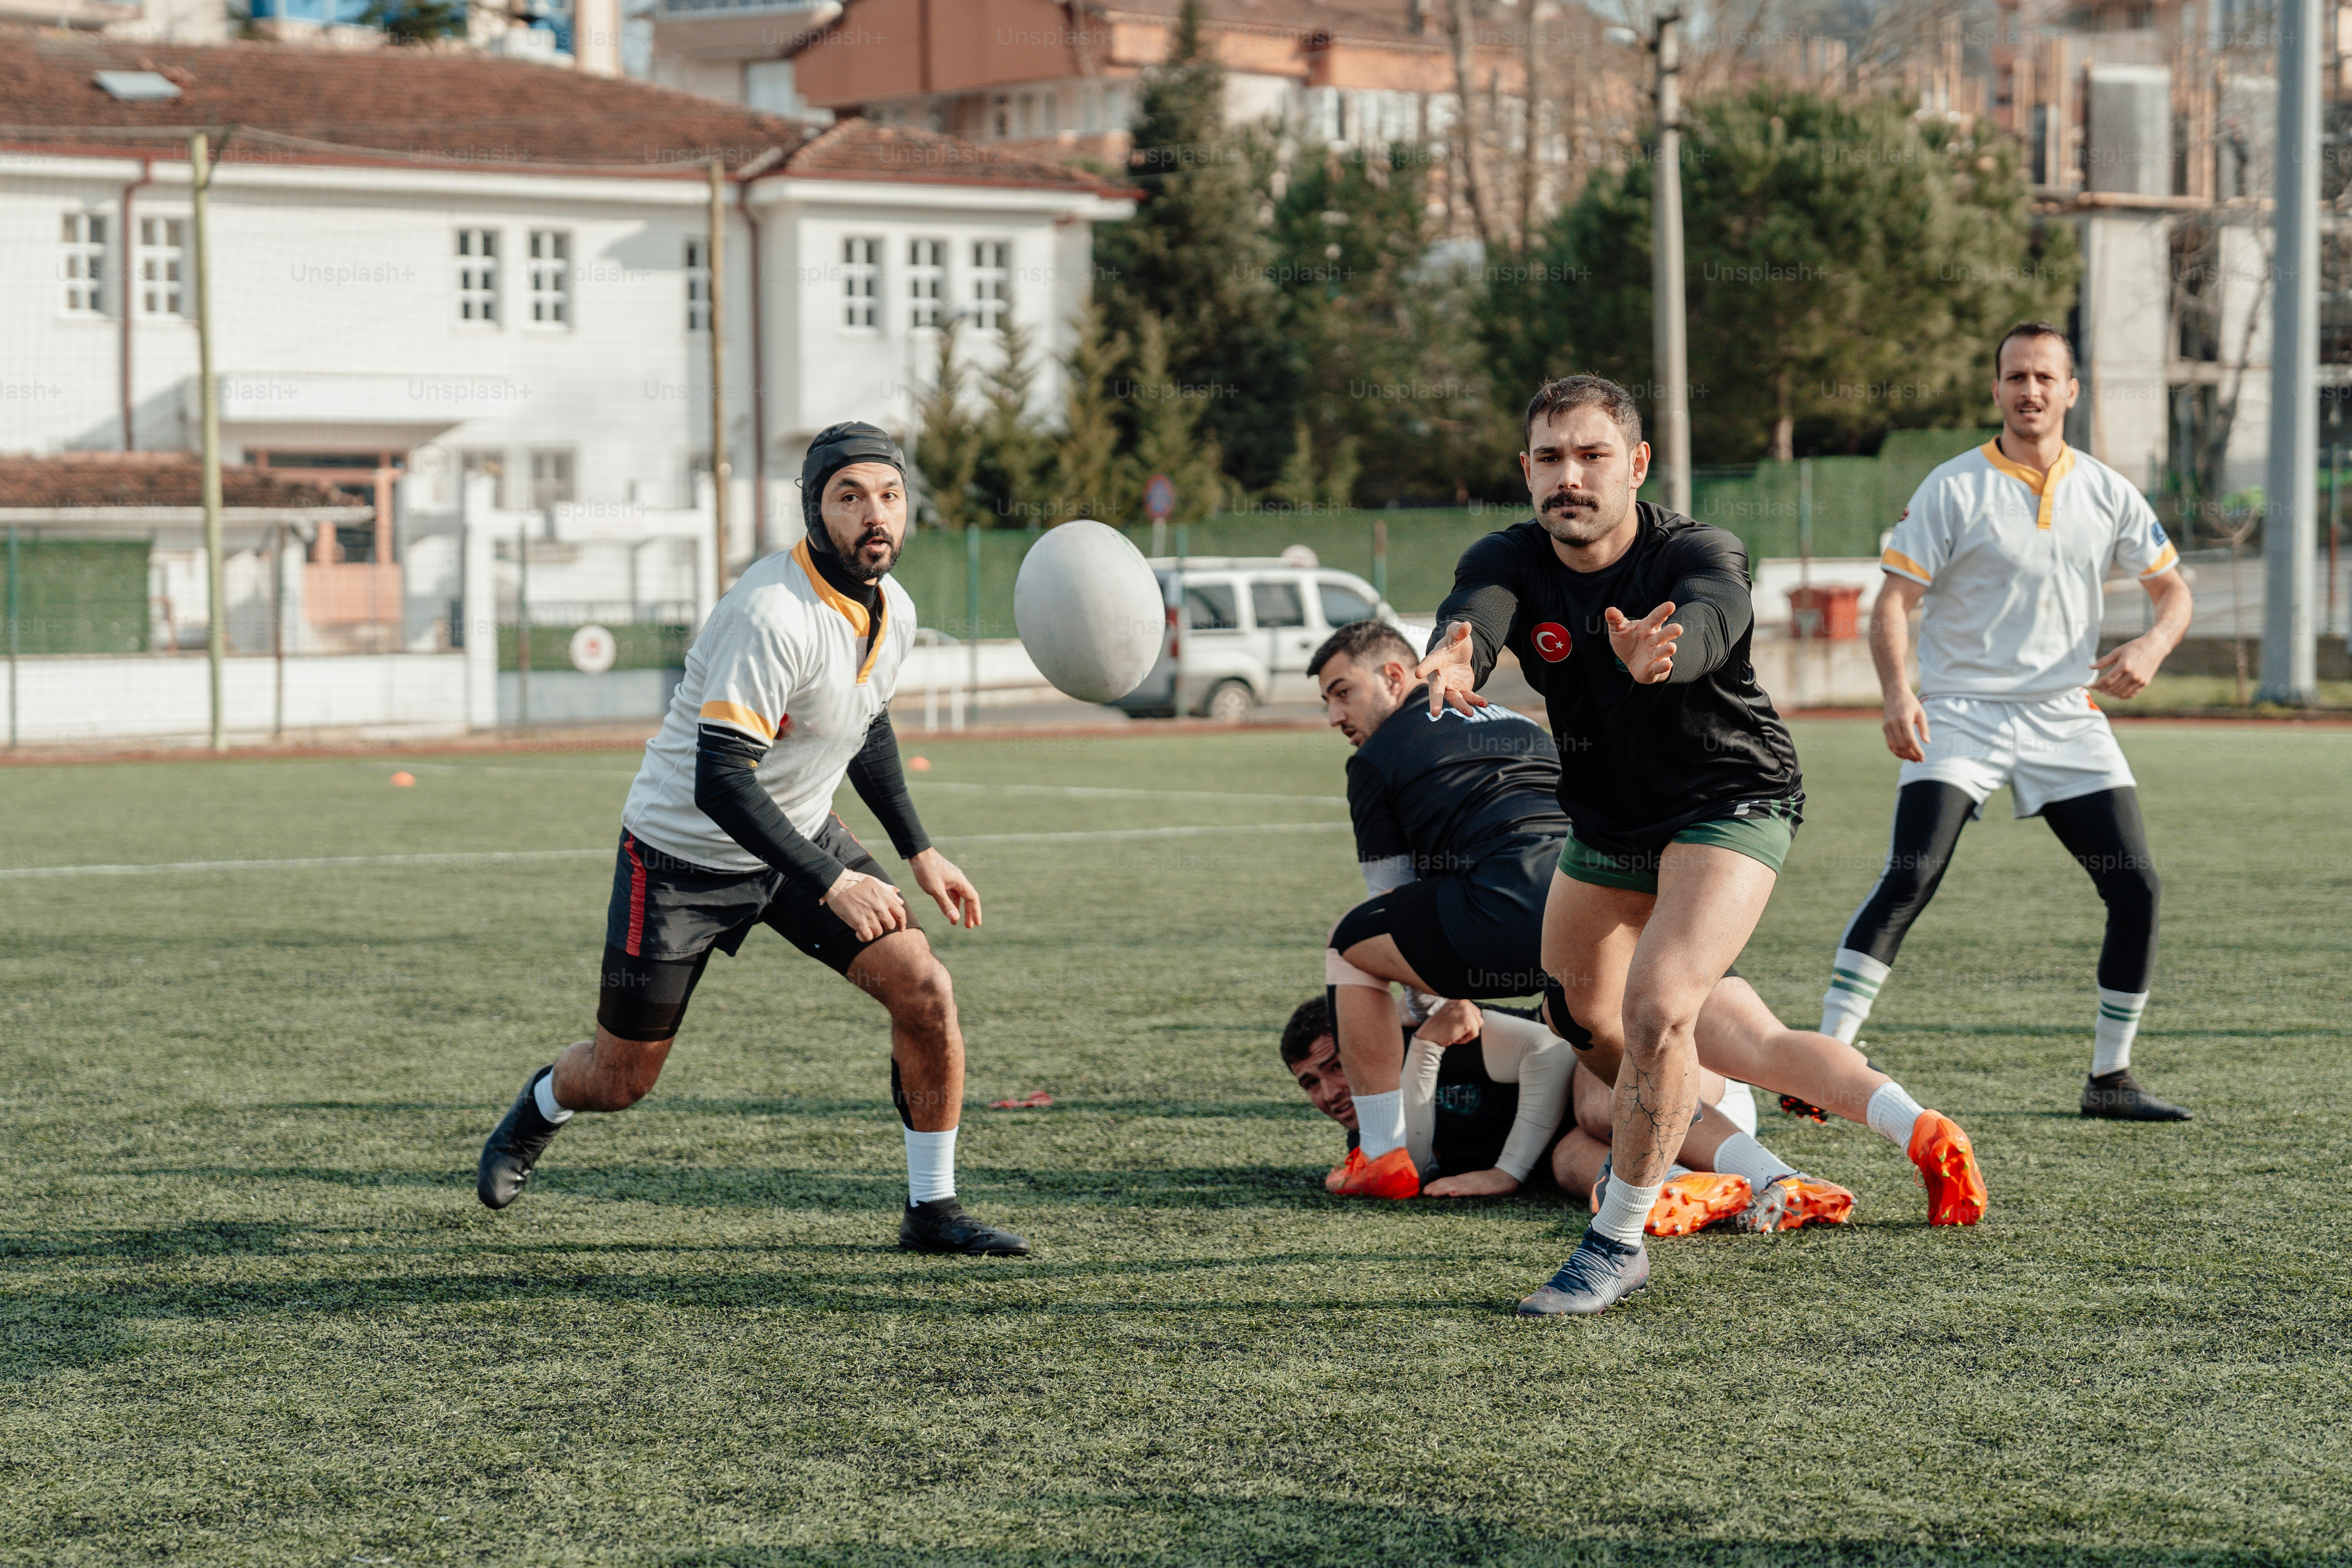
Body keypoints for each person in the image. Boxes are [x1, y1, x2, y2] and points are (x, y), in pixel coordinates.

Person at [1417, 375, 1987, 1317]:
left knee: (1658, 1009)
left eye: (1593, 455)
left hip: (1728, 800)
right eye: (1550, 459)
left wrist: (1663, 655)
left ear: (1636, 465)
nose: (1570, 477)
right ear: (1526, 472)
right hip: (1607, 823)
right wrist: (1451, 652)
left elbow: (1715, 617)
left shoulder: (1697, 548)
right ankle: (1807, 1147)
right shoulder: (1511, 554)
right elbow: (1475, 610)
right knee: (1578, 1015)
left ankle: (1615, 1242)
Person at [470, 422, 1028, 1257]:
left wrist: (918, 847)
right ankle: (544, 1102)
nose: (874, 515)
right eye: (848, 497)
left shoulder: (894, 608)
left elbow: (862, 720)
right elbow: (721, 779)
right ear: (813, 510)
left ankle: (932, 1210)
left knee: (924, 991)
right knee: (622, 1080)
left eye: (889, 495)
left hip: (797, 837)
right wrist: (834, 882)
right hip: (678, 859)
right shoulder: (770, 612)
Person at [1819, 322, 2195, 1123]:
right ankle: (1826, 1057)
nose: (2030, 390)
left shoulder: (2106, 489)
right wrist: (1897, 692)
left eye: (2045, 377)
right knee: (1912, 874)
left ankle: (2110, 1078)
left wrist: (2155, 645)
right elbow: (1893, 601)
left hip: (2067, 716)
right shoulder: (1954, 487)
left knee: (2136, 888)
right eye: (2015, 376)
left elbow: (2175, 592)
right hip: (1961, 713)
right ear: (1996, 390)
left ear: (2071, 391)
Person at [1311, 618, 1570, 1201]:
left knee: (1349, 943)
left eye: (1343, 691)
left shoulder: (1378, 755)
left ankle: (1382, 1155)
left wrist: (1435, 1002)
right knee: (1611, 1105)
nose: (1334, 717)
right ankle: (1760, 1170)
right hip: (1595, 915)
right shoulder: (1520, 722)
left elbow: (1391, 901)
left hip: (1504, 923)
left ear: (1396, 675)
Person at [1278, 995, 1854, 1236]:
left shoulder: (1458, 1034)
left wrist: (1506, 1169)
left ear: (1367, 1044)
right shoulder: (1373, 1132)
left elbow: (1551, 1052)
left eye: (1335, 1066)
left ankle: (1782, 1178)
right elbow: (1416, 1166)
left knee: (1598, 1103)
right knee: (1572, 1163)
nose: (1328, 1091)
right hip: (1656, 1146)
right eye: (1310, 1082)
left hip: (1690, 1102)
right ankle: (1703, 1194)